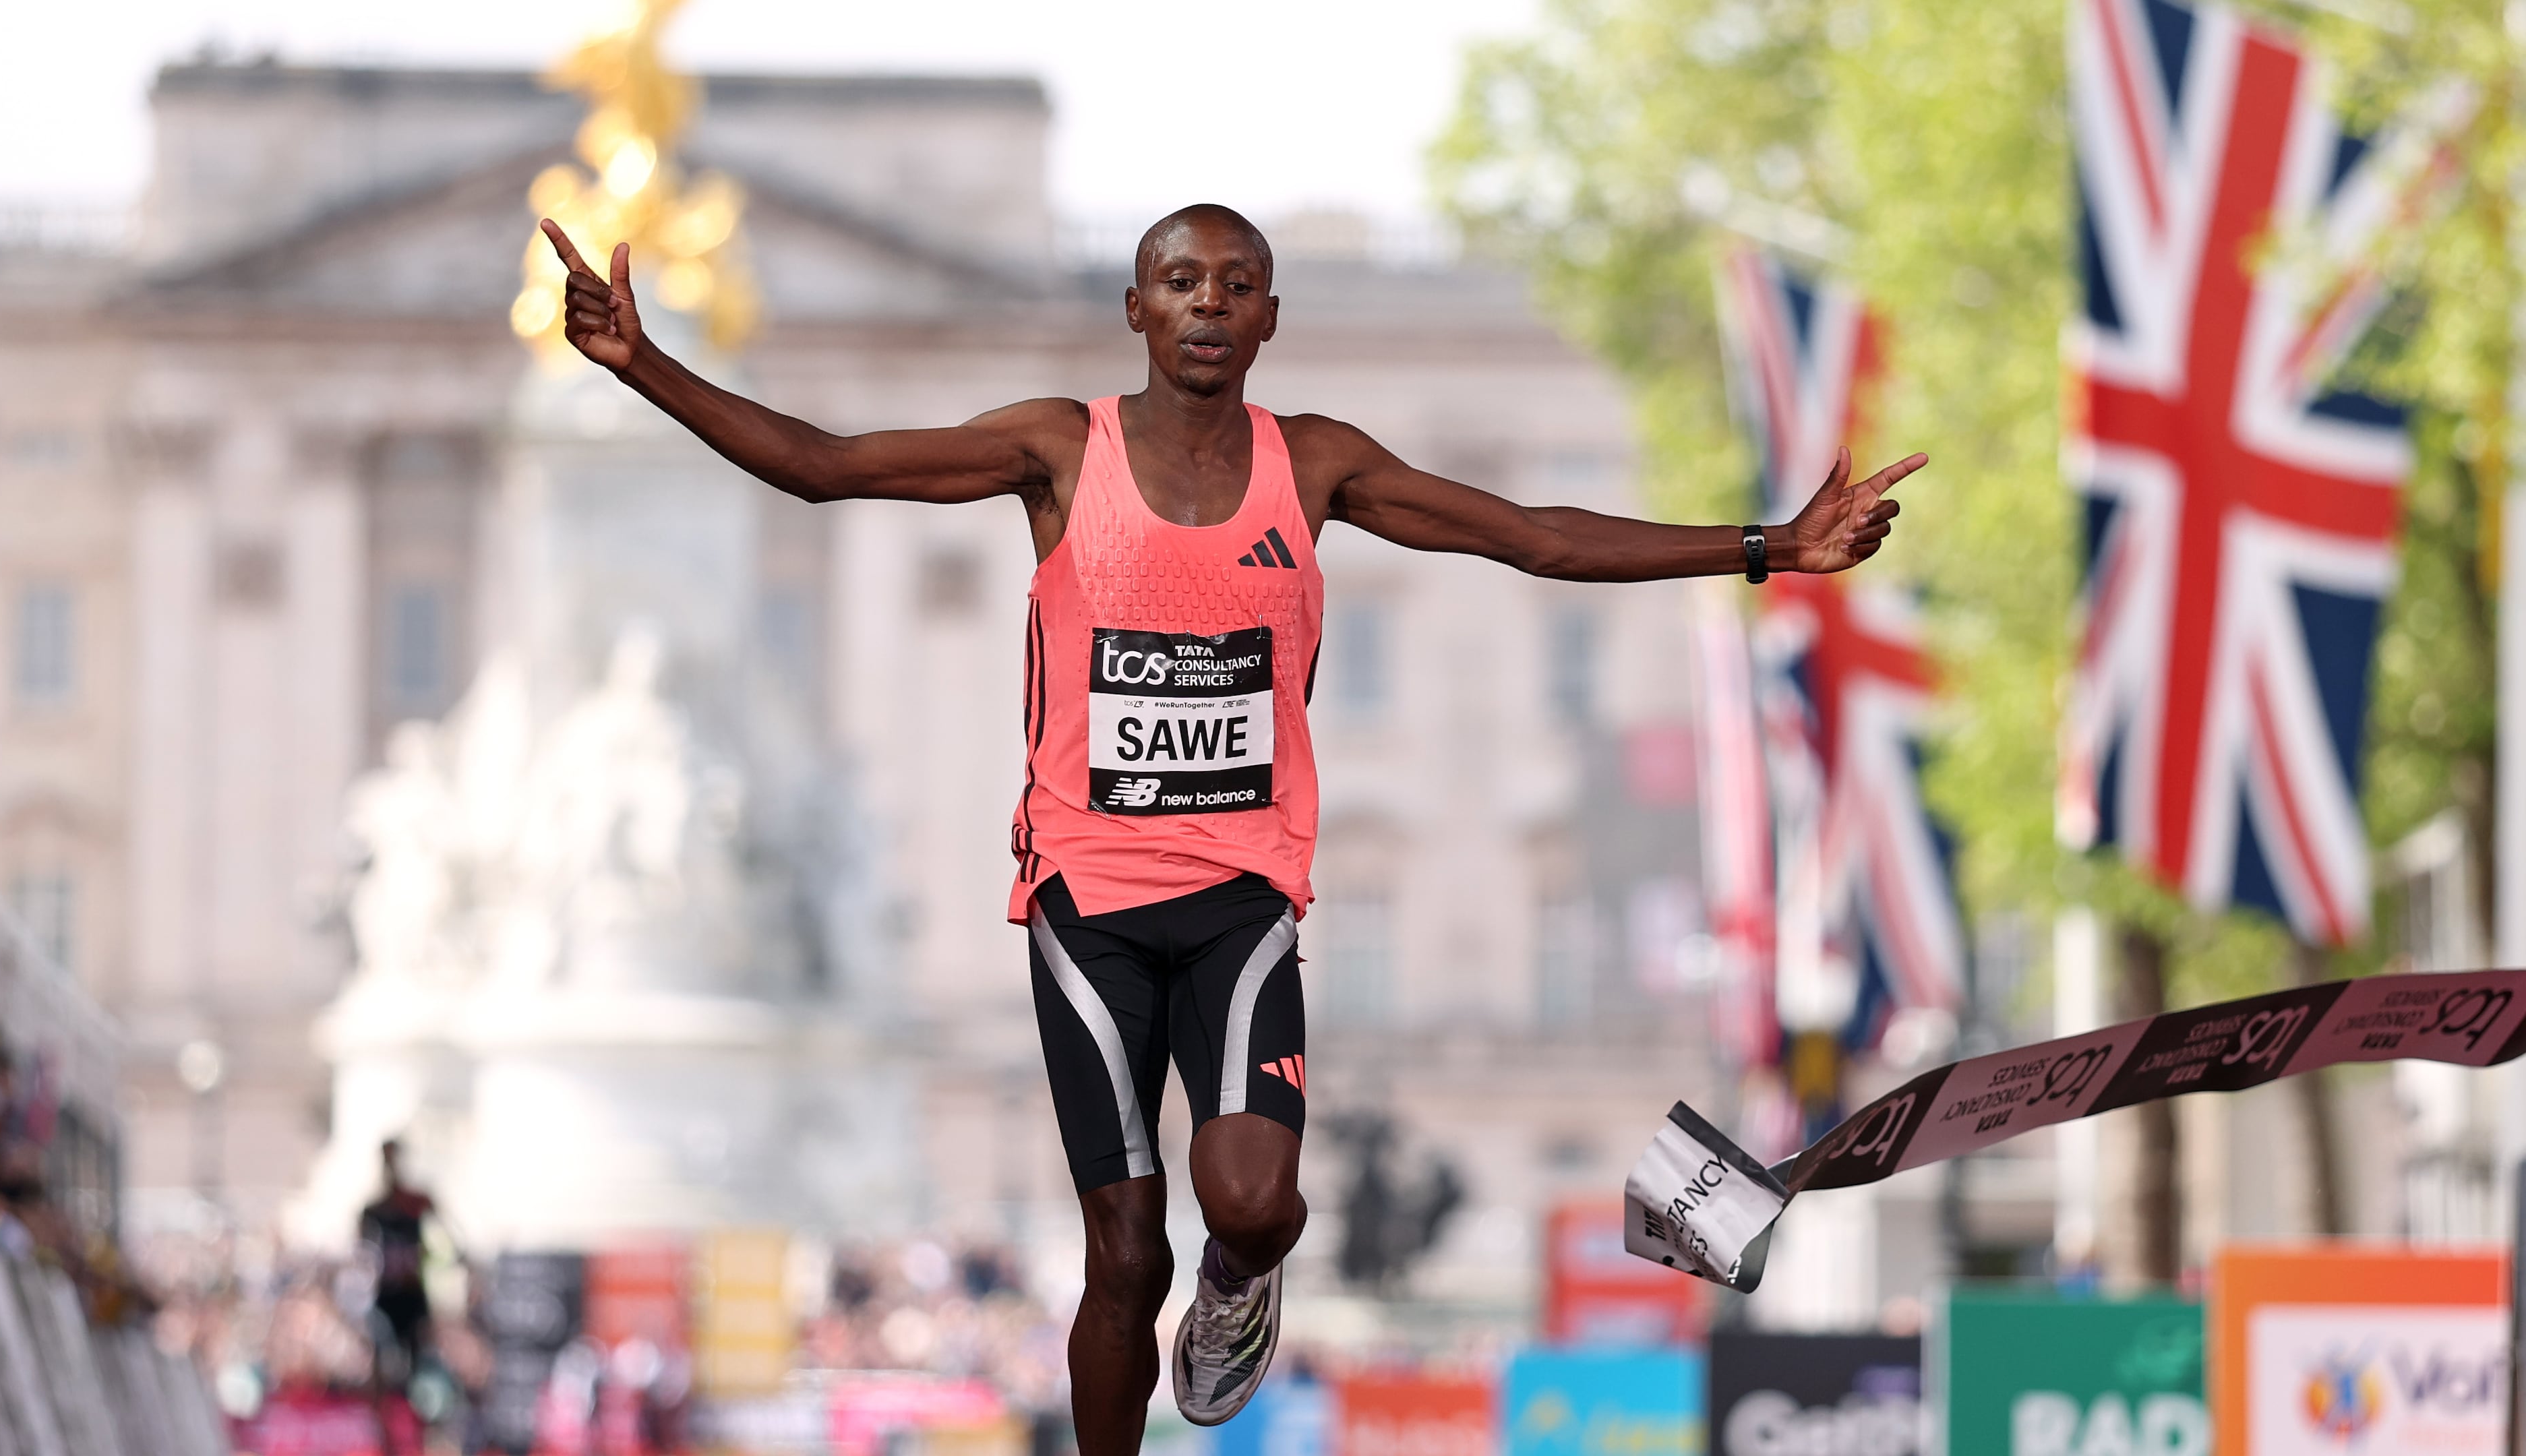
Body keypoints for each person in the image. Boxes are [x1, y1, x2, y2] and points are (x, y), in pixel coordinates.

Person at [539, 204, 1920, 1452]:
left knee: (1251, 1199)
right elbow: (827, 466)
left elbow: (1529, 536)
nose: (1207, 304)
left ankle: (1242, 1291)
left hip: (1243, 895)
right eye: (1179, 281)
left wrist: (1769, 547)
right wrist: (642, 366)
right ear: (1137, 311)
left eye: (1236, 284)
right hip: (1086, 901)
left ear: (1271, 319)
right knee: (1120, 1252)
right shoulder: (1054, 449)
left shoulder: (1310, 466)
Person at [361, 1139, 441, 1389]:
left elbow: (446, 1234)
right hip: (387, 1295)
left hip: (412, 1293)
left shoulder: (417, 1203)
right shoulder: (373, 1210)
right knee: (381, 1354)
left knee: (418, 1359)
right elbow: (363, 1251)